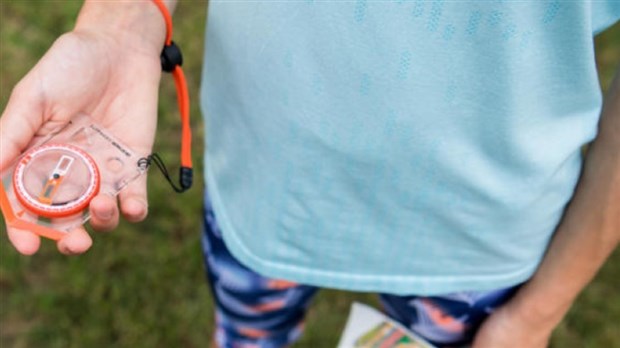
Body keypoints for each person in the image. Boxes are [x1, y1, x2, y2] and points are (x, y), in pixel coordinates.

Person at [1, 1, 619, 347]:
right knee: (248, 336)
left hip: (478, 252)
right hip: (262, 200)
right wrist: (120, 24)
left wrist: (536, 314)